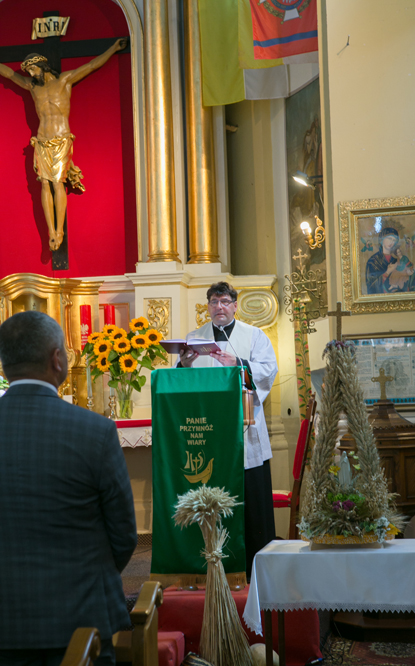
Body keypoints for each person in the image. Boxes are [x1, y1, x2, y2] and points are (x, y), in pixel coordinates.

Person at [0, 311, 137, 666]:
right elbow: (123, 535)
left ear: (4, 365)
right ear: (57, 359)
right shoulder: (94, 431)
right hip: (82, 622)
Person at [178, 281, 278, 576]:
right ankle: (212, 563)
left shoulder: (254, 336)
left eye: (224, 301)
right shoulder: (194, 339)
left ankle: (254, 565)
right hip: (209, 432)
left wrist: (240, 363)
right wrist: (184, 364)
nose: (219, 307)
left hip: (244, 430)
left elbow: (268, 371)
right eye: (213, 301)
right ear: (208, 307)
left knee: (250, 503)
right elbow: (182, 383)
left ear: (235, 305)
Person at [0, 38, 127, 251]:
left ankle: (60, 230)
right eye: (28, 71)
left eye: (33, 69)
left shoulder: (64, 80)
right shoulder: (33, 87)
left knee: (58, 183)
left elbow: (91, 66)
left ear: (42, 65)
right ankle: (51, 231)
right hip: (42, 140)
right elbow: (9, 74)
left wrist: (113, 49)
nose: (31, 74)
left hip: (61, 139)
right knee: (44, 183)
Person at [365, 227, 415, 294]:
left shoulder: (397, 260)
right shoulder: (373, 261)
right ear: (381, 240)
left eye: (394, 240)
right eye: (389, 239)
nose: (392, 242)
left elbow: (410, 278)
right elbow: (371, 286)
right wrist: (387, 272)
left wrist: (409, 272)